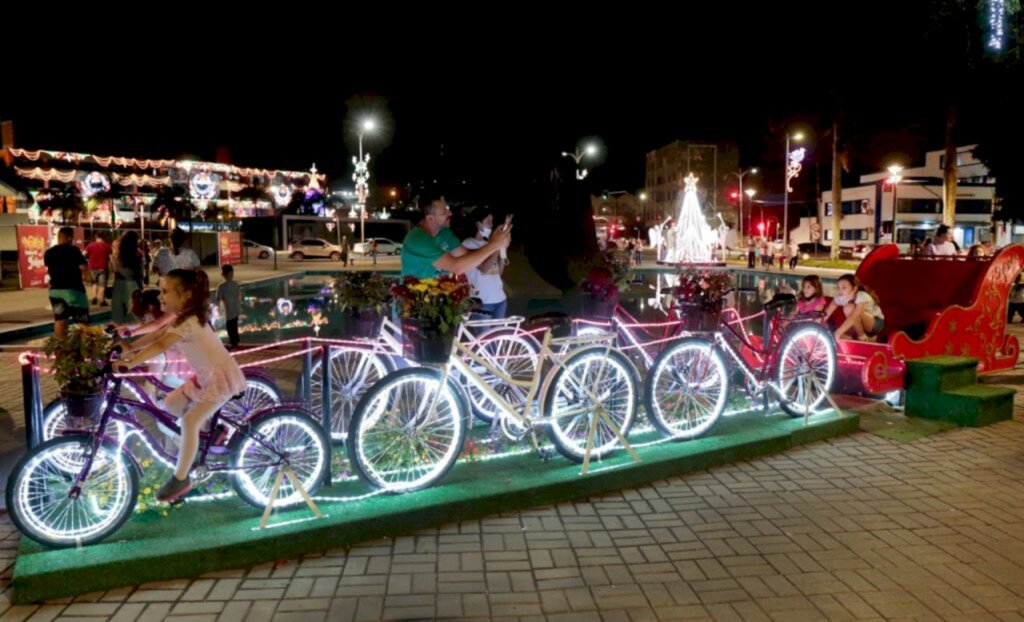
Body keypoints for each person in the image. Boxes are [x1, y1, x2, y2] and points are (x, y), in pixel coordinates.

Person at [116, 269, 246, 503]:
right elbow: (157, 336)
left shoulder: (187, 322)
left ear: (186, 295)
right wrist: (129, 347)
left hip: (219, 379)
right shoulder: (183, 317)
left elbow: (161, 345)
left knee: (189, 421)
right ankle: (212, 433)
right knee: (170, 404)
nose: (160, 297)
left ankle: (181, 478)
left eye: (165, 292)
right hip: (206, 376)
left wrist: (130, 362)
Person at [400, 193, 511, 278]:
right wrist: (494, 245)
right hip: (418, 303)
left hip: (440, 301)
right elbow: (456, 267)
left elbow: (482, 265)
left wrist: (498, 244)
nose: (450, 213)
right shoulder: (418, 239)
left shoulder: (445, 233)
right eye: (444, 212)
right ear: (430, 218)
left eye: (448, 209)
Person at [45, 227, 92, 340]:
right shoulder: (73, 250)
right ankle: (86, 347)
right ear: (69, 237)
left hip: (55, 291)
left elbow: (50, 269)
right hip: (73, 290)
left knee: (60, 319)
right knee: (82, 320)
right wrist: (88, 278)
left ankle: (61, 346)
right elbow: (83, 267)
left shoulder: (49, 252)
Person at [462, 210, 508, 319]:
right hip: (482, 301)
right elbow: (484, 268)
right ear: (478, 224)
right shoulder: (468, 244)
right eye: (488, 222)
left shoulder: (488, 244)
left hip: (500, 298)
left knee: (498, 335)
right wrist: (497, 245)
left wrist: (503, 249)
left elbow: (498, 272)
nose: (491, 225)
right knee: (484, 335)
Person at [825, 274, 885, 342]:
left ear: (854, 288)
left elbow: (854, 317)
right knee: (833, 335)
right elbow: (826, 314)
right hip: (858, 324)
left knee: (848, 308)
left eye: (844, 288)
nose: (840, 291)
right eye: (838, 288)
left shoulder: (862, 296)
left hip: (875, 323)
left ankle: (862, 338)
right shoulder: (840, 297)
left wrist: (838, 333)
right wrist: (814, 325)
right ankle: (863, 341)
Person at [112, 231, 143, 324]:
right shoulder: (136, 255)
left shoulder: (117, 254)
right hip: (132, 284)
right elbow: (138, 273)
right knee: (133, 313)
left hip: (118, 283)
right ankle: (131, 336)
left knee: (117, 314)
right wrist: (140, 287)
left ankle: (117, 335)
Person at [217, 264, 242, 348]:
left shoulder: (222, 286)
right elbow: (238, 295)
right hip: (236, 308)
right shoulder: (235, 284)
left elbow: (218, 298)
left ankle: (233, 341)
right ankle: (236, 340)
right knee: (234, 325)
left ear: (223, 274)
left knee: (230, 326)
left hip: (229, 309)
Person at [85, 232, 112, 306]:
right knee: (102, 285)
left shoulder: (90, 246)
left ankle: (94, 297)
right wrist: (113, 267)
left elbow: (84, 254)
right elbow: (111, 258)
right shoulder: (107, 246)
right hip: (102, 268)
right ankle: (102, 300)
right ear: (103, 238)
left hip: (92, 268)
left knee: (94, 283)